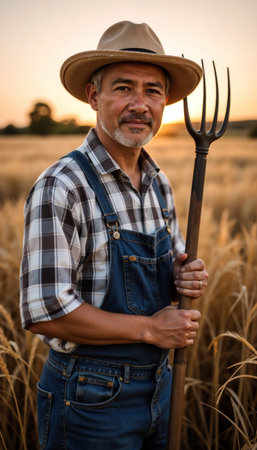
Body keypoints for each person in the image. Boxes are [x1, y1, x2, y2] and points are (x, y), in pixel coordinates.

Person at [20, 21, 208, 450]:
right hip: (89, 399)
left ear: (165, 103)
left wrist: (183, 275)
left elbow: (171, 268)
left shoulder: (157, 181)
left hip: (162, 388)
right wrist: (149, 330)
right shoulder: (62, 186)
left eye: (153, 91)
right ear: (93, 96)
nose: (140, 104)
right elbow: (44, 310)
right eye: (123, 88)